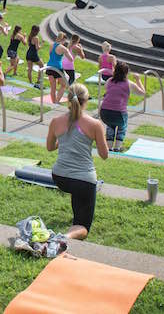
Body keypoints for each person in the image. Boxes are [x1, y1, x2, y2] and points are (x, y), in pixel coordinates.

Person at [47, 83, 108, 239]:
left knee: (77, 192)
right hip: (83, 179)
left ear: (68, 99)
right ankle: (64, 237)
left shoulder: (56, 121)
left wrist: (66, 141)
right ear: (86, 100)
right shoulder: (95, 124)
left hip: (60, 177)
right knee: (84, 227)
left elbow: (50, 147)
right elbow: (104, 154)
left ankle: (74, 223)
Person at [100, 61, 145, 152]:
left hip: (104, 112)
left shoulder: (109, 81)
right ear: (126, 73)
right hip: (119, 113)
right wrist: (138, 80)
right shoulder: (129, 83)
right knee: (122, 127)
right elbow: (142, 93)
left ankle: (109, 147)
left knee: (110, 125)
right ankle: (117, 147)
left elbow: (107, 90)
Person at [46, 33, 69, 104]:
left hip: (49, 67)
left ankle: (54, 102)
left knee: (53, 87)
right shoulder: (63, 48)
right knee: (64, 85)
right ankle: (56, 102)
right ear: (63, 39)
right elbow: (71, 59)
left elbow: (50, 54)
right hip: (58, 68)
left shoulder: (51, 45)